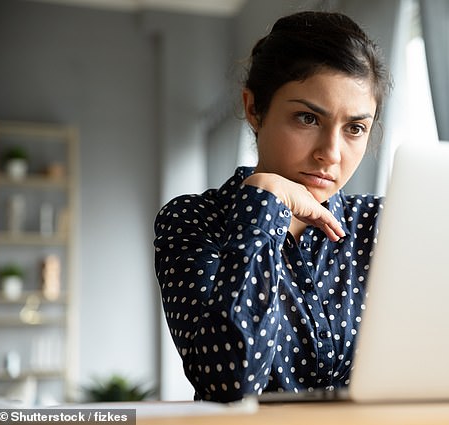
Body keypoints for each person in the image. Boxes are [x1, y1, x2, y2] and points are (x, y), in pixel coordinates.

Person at [153, 10, 391, 403]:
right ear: (254, 108)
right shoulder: (192, 221)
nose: (330, 154)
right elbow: (231, 386)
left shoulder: (381, 225)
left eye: (354, 128)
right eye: (307, 118)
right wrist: (263, 201)